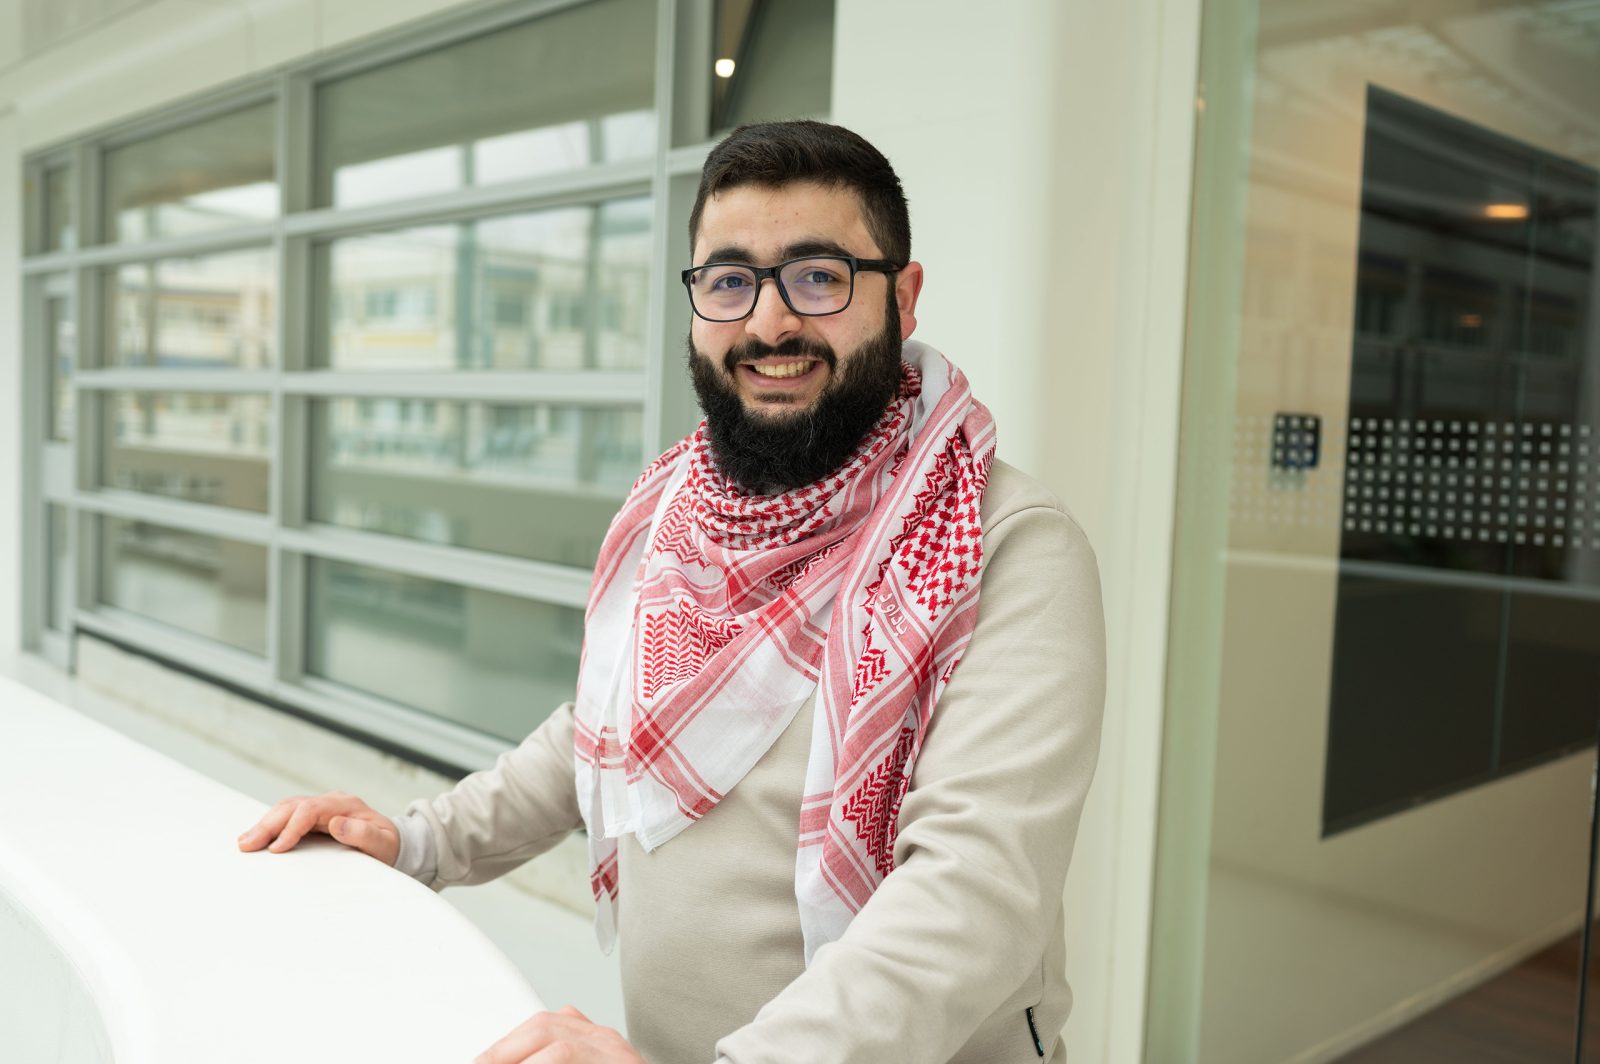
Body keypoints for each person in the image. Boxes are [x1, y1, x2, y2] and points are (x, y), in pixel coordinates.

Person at [238, 120, 1105, 1064]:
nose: (768, 324)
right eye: (730, 281)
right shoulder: (681, 505)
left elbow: (973, 898)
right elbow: (604, 728)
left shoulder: (1006, 542)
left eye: (818, 276)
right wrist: (417, 843)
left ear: (901, 296)